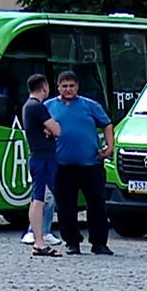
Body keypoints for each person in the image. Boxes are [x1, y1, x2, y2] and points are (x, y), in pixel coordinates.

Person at [48, 71, 116, 256]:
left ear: (77, 87)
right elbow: (39, 126)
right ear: (58, 87)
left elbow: (107, 124)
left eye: (71, 85)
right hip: (62, 165)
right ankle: (72, 242)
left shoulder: (90, 105)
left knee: (97, 205)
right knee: (65, 207)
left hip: (91, 164)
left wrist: (110, 147)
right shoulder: (48, 106)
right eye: (64, 86)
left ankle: (99, 243)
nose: (68, 89)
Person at [21, 74, 63, 257]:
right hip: (43, 158)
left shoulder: (27, 107)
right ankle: (39, 241)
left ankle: (38, 239)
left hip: (38, 156)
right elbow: (57, 130)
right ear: (44, 87)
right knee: (40, 199)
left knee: (37, 198)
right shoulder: (38, 107)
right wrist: (51, 129)